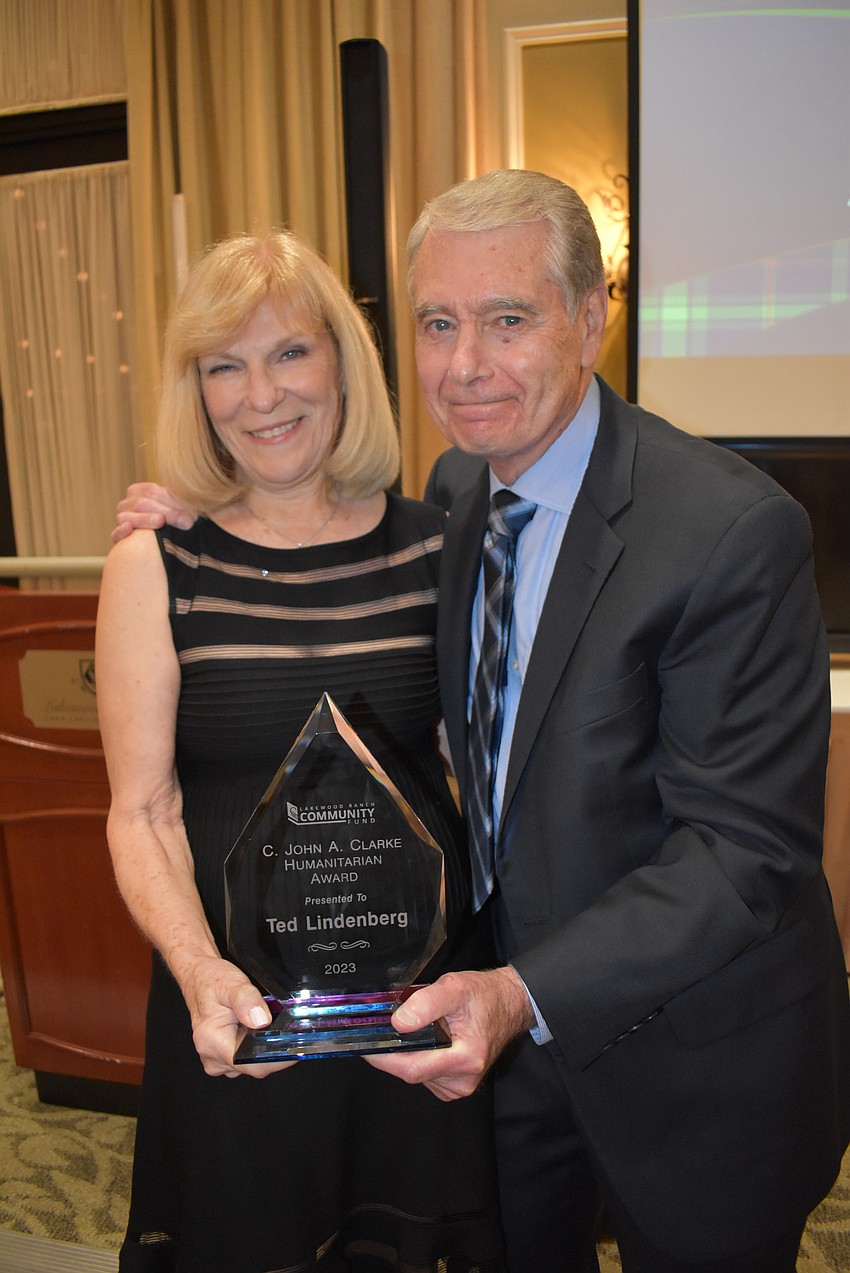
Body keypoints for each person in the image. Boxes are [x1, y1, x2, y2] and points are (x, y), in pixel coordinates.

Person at [112, 172, 850, 1273]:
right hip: (493, 1070)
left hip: (692, 1066)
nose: (465, 365)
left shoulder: (730, 529)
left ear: (590, 318)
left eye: (507, 320)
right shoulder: (456, 496)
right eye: (438, 323)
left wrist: (521, 995)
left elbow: (746, 853)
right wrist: (193, 508)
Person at [96, 228, 506, 1273]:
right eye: (223, 367)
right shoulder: (156, 562)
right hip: (233, 1008)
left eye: (289, 353)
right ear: (196, 392)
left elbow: (479, 775)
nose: (261, 395)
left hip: (409, 1007)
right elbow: (141, 811)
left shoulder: (440, 547)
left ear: (341, 363)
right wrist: (199, 973)